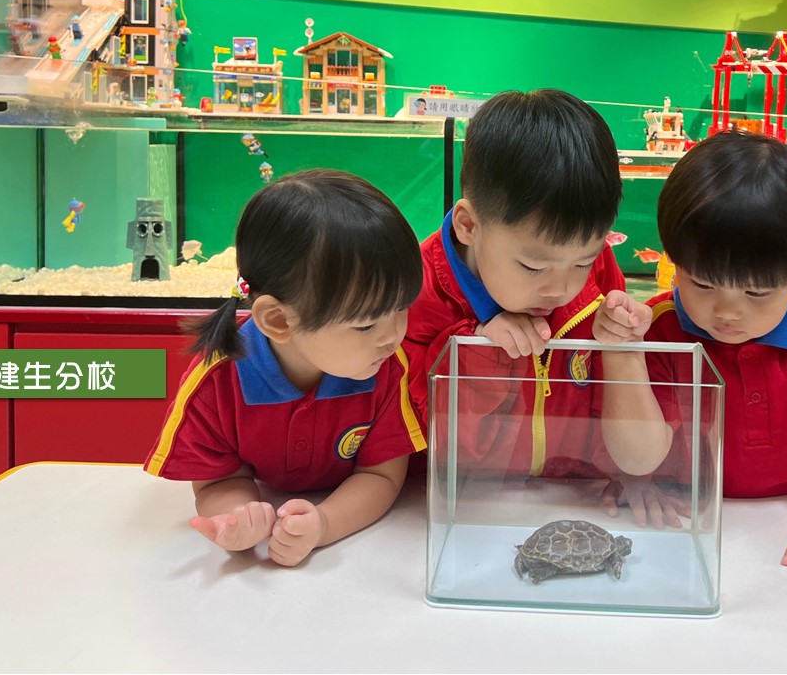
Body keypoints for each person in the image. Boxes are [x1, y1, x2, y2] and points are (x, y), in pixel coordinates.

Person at [608, 131, 787, 592]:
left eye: (757, 293)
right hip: (689, 519)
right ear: (672, 261)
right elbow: (639, 451)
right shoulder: (659, 325)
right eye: (702, 284)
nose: (727, 312)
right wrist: (634, 475)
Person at [144, 169, 426, 567]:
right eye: (366, 324)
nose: (393, 335)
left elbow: (381, 476)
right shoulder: (217, 381)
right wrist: (238, 518)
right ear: (277, 320)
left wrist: (324, 524)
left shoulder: (386, 368)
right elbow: (218, 480)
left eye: (402, 308)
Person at [404, 88, 642, 484]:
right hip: (469, 500)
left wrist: (626, 478)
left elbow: (602, 389)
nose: (561, 289)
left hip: (570, 494)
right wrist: (479, 349)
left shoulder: (598, 264)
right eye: (533, 266)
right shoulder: (415, 292)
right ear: (468, 225)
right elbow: (423, 442)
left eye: (583, 262)